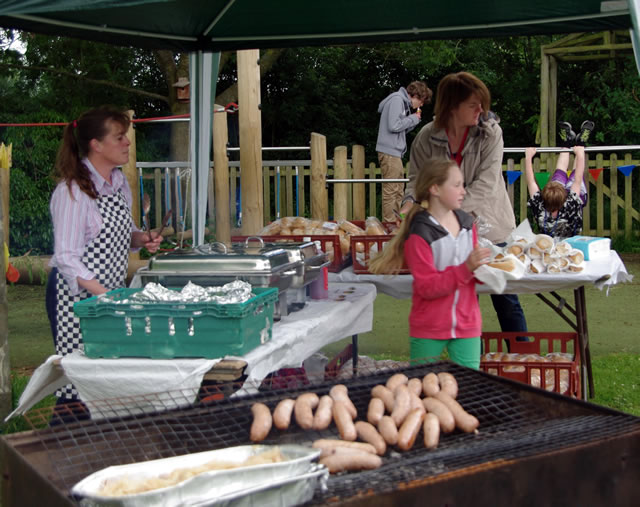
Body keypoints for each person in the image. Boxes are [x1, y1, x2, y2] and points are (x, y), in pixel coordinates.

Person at [45, 106, 163, 416]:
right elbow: (67, 258)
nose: (127, 143)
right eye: (120, 137)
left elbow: (125, 233)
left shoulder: (119, 182)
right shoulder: (72, 192)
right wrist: (104, 295)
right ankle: (61, 448)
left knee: (107, 378)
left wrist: (141, 240)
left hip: (107, 295)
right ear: (96, 144)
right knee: (78, 383)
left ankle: (103, 443)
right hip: (74, 300)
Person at [400, 71, 528, 336]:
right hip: (449, 234)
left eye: (482, 103)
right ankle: (473, 367)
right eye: (473, 104)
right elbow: (416, 179)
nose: (481, 109)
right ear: (451, 106)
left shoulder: (490, 133)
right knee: (466, 299)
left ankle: (519, 360)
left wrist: (445, 212)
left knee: (506, 299)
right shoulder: (426, 137)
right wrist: (409, 202)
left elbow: (487, 182)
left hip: (492, 225)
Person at [370, 159, 490, 368]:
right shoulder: (419, 234)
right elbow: (427, 287)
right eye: (456, 185)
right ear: (435, 188)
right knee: (423, 393)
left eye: (463, 184)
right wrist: (467, 268)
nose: (463, 191)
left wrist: (486, 271)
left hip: (467, 324)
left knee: (470, 390)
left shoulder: (468, 225)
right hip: (429, 327)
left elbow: (472, 275)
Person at [376, 81, 432, 223]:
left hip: (395, 151)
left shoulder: (401, 103)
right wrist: (412, 118)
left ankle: (395, 222)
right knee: (391, 190)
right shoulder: (397, 100)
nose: (420, 106)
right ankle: (389, 223)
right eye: (422, 102)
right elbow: (394, 125)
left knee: (398, 189)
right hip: (389, 151)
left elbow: (401, 128)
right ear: (417, 96)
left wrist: (413, 121)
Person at [524, 143, 588, 238]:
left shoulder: (539, 206)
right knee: (574, 173)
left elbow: (531, 182)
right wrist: (580, 154)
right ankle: (579, 143)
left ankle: (566, 143)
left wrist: (528, 157)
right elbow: (577, 180)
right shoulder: (570, 204)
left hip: (550, 243)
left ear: (543, 198)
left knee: (560, 172)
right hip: (570, 244)